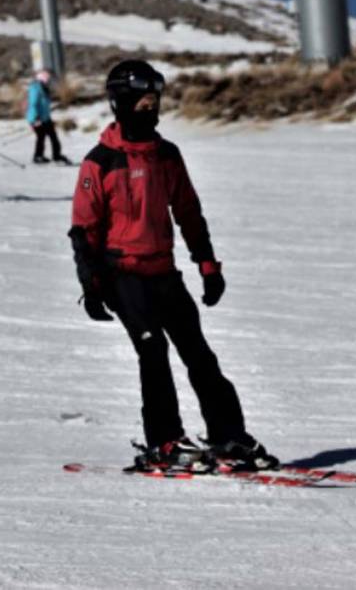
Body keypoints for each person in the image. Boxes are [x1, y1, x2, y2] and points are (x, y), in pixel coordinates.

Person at [68, 59, 277, 473]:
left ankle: (228, 437)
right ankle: (163, 442)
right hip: (122, 275)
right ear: (122, 102)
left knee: (199, 355)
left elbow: (188, 213)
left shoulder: (166, 155)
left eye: (155, 101)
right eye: (143, 101)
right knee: (154, 352)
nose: (151, 108)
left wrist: (208, 265)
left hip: (164, 273)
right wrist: (91, 285)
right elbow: (84, 230)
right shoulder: (100, 162)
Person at [25, 70, 69, 164]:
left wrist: (48, 118)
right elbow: (33, 104)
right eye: (47, 78)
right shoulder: (35, 88)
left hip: (45, 118)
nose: (49, 80)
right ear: (42, 78)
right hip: (36, 118)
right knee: (41, 137)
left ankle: (56, 156)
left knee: (53, 136)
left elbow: (45, 105)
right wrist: (36, 118)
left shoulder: (44, 88)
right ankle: (38, 157)